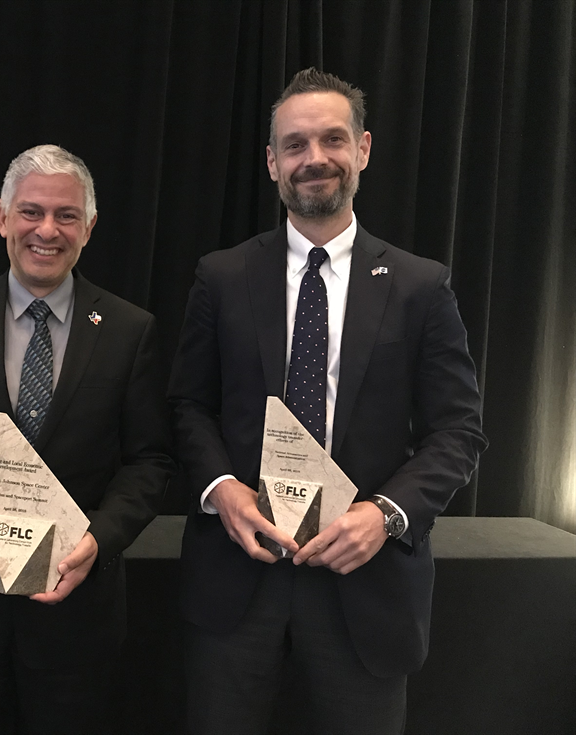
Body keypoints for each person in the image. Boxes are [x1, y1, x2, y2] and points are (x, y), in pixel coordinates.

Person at [169, 68, 487, 734]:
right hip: (239, 575)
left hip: (366, 584)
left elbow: (458, 429)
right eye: (295, 144)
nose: (314, 158)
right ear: (272, 162)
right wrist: (221, 487)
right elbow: (187, 405)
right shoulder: (221, 276)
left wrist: (386, 514)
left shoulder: (421, 285)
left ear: (363, 149)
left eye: (332, 139)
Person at [0, 144, 174, 735]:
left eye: (66, 215)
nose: (47, 230)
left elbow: (150, 461)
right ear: (1, 218)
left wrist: (100, 537)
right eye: (31, 212)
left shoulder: (130, 330)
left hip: (78, 622)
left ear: (89, 228)